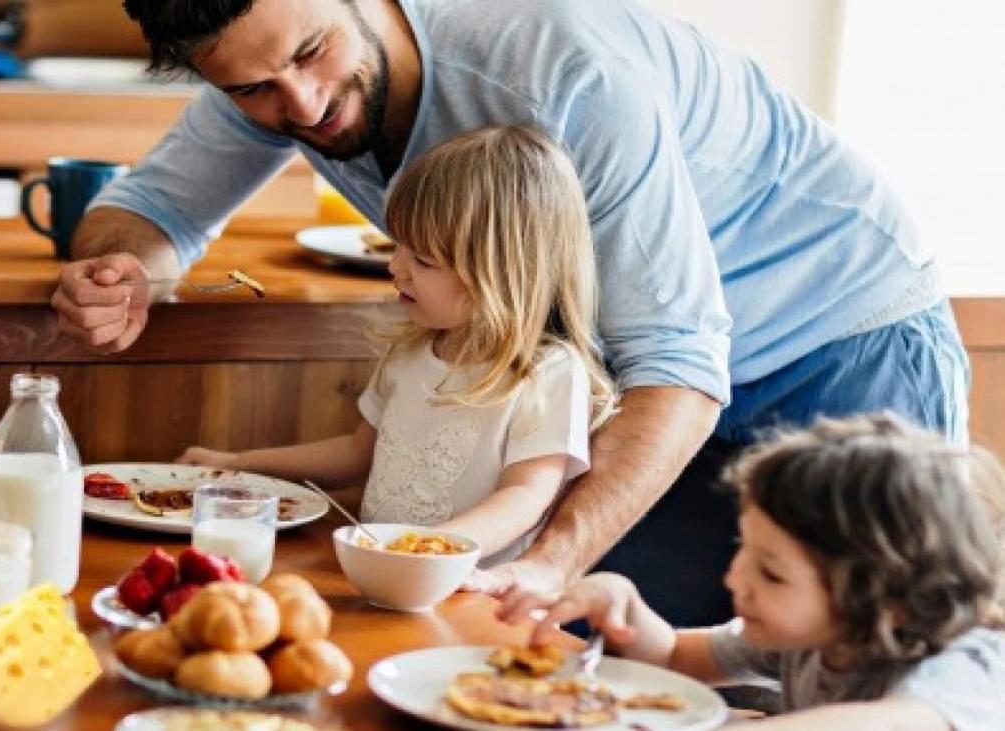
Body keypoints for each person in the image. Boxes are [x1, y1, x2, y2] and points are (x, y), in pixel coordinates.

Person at [50, 0, 969, 624]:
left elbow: (681, 364)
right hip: (638, 392)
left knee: (856, 670)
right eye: (250, 88)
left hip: (839, 345)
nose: (302, 104)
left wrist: (551, 558)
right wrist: (118, 270)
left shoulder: (566, 75)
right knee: (585, 659)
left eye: (310, 53)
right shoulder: (268, 70)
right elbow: (156, 211)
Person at [177, 126, 616, 563]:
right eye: (397, 245)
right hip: (380, 574)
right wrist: (237, 463)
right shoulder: (410, 351)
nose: (396, 266)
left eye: (422, 260)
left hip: (471, 597)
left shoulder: (549, 372)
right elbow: (355, 453)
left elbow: (525, 495)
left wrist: (425, 550)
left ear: (502, 275)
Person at [497, 414, 1005, 730]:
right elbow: (675, 658)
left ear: (887, 598)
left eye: (773, 573)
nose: (736, 579)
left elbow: (896, 722)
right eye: (746, 549)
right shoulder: (804, 635)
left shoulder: (966, 663)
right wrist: (624, 603)